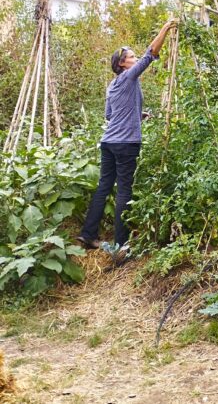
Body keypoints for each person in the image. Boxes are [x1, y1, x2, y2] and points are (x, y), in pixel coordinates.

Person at [77, 18, 179, 264]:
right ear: (123, 64)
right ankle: (122, 246)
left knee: (104, 187)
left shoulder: (112, 86)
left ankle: (88, 234)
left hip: (109, 142)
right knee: (124, 190)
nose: (135, 59)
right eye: (131, 57)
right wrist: (165, 27)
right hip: (125, 144)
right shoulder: (129, 77)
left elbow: (111, 116)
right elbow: (150, 54)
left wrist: (138, 115)